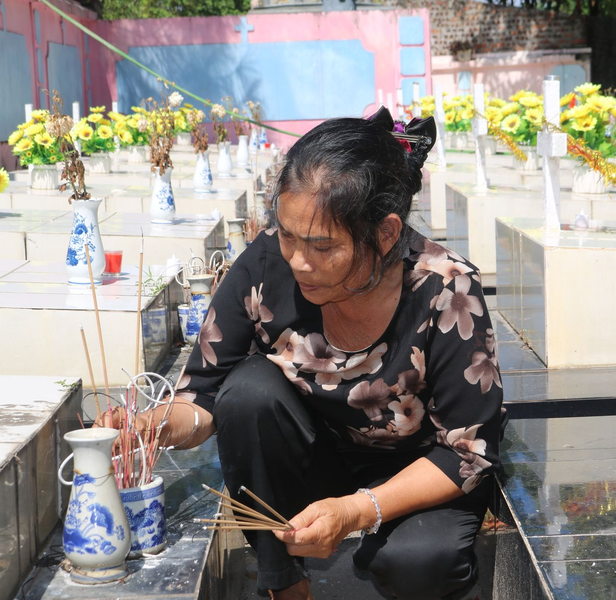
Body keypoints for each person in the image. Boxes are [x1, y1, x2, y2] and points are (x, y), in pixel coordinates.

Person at [126, 108, 503, 599]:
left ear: (386, 233)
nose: (299, 261)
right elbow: (203, 392)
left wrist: (356, 509)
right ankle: (285, 586)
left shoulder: (445, 292)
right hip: (310, 459)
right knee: (247, 394)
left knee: (418, 561)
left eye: (323, 246)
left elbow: (467, 451)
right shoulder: (265, 264)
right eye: (287, 235)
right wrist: (155, 425)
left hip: (419, 471)